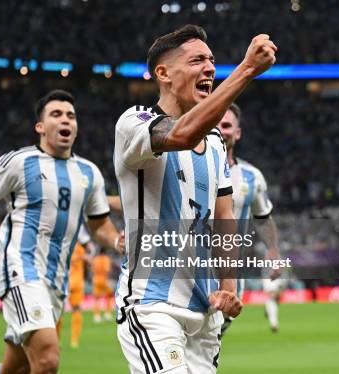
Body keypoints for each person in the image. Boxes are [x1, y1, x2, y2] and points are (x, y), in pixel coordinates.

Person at [113, 25, 276, 373]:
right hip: (153, 304)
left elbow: (224, 218)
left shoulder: (216, 142)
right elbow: (182, 133)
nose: (210, 68)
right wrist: (246, 69)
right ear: (163, 73)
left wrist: (228, 286)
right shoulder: (135, 122)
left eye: (213, 61)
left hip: (204, 312)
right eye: (197, 60)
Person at [0, 89, 124, 374]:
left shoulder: (89, 173)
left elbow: (99, 225)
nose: (65, 120)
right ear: (40, 127)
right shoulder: (19, 162)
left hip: (57, 281)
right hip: (21, 269)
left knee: (19, 368)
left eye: (71, 116)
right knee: (48, 359)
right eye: (56, 114)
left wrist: (116, 239)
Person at [217, 103, 284, 334]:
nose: (220, 130)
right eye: (214, 124)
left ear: (237, 132)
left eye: (226, 125)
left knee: (211, 345)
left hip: (232, 274)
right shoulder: (186, 169)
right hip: (189, 272)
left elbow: (263, 217)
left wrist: (273, 250)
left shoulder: (252, 177)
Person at [91, 247, 113, 323]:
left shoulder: (95, 259)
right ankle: (107, 314)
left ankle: (97, 316)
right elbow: (107, 270)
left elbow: (92, 269)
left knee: (97, 299)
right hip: (104, 279)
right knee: (109, 296)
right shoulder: (106, 259)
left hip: (96, 279)